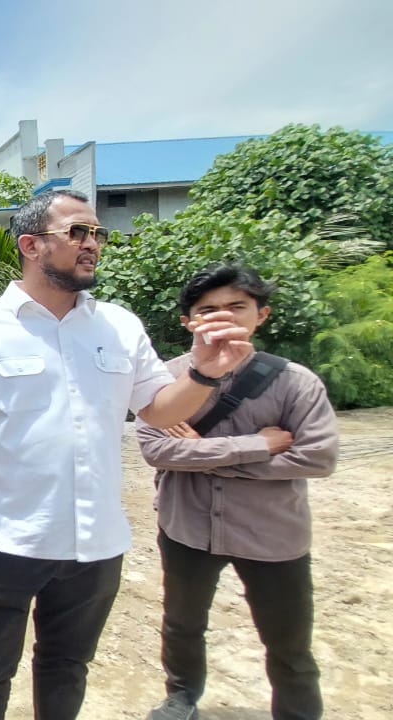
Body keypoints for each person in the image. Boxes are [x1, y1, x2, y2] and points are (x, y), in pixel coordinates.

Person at [0, 189, 255, 720]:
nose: (92, 243)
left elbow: (160, 410)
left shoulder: (119, 326)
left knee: (67, 664)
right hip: (3, 538)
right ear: (30, 244)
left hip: (95, 543)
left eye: (97, 233)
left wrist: (205, 372)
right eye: (77, 232)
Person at [136, 265, 338, 720]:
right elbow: (155, 449)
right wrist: (256, 446)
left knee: (287, 639)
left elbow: (317, 458)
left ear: (260, 315)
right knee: (183, 623)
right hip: (187, 527)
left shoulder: (295, 382)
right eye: (207, 310)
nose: (221, 317)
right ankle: (181, 697)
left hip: (272, 536)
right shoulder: (165, 382)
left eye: (236, 307)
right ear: (189, 322)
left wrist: (203, 453)